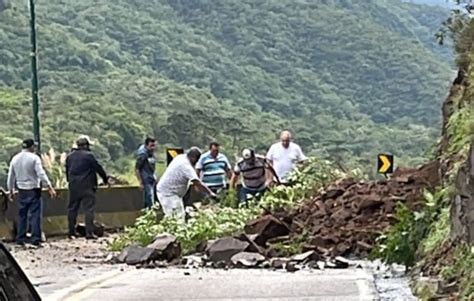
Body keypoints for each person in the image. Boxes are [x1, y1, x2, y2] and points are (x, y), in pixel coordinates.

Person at [7, 139, 56, 247]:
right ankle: (35, 239)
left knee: (22, 215)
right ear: (31, 147)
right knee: (35, 215)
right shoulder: (34, 158)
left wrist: (11, 190)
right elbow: (41, 174)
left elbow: (11, 176)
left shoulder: (15, 158)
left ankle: (20, 239)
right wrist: (49, 186)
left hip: (21, 190)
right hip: (33, 189)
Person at [65, 135, 110, 240]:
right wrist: (105, 179)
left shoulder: (70, 156)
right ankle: (89, 233)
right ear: (86, 145)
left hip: (74, 186)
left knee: (72, 209)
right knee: (89, 209)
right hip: (87, 186)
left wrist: (70, 181)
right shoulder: (89, 156)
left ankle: (71, 232)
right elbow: (98, 168)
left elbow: (67, 172)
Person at [156, 147, 216, 220]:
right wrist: (210, 193)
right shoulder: (186, 166)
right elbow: (197, 182)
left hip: (173, 193)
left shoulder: (181, 157)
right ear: (193, 157)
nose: (196, 162)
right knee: (176, 217)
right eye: (196, 160)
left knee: (179, 215)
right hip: (168, 193)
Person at [135, 137, 157, 209]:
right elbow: (137, 168)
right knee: (150, 198)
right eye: (151, 146)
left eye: (154, 146)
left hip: (151, 178)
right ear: (146, 145)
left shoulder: (151, 153)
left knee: (150, 198)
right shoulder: (143, 155)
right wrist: (140, 182)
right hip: (146, 180)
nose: (153, 148)